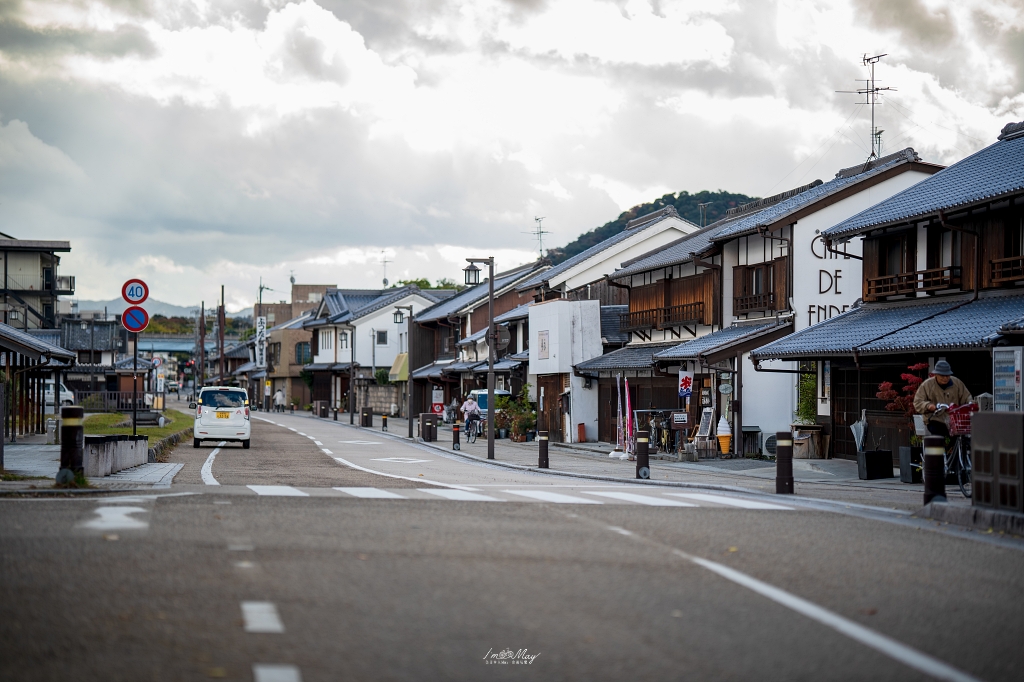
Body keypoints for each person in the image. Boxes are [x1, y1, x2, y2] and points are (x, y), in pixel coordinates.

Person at [914, 360, 973, 438]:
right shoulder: (927, 385)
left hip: (954, 420)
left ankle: (956, 449)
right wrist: (928, 406)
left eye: (947, 375)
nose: (945, 378)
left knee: (960, 439)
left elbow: (967, 397)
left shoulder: (957, 383)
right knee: (937, 438)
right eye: (942, 376)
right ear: (936, 375)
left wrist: (970, 405)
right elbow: (917, 402)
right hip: (935, 419)